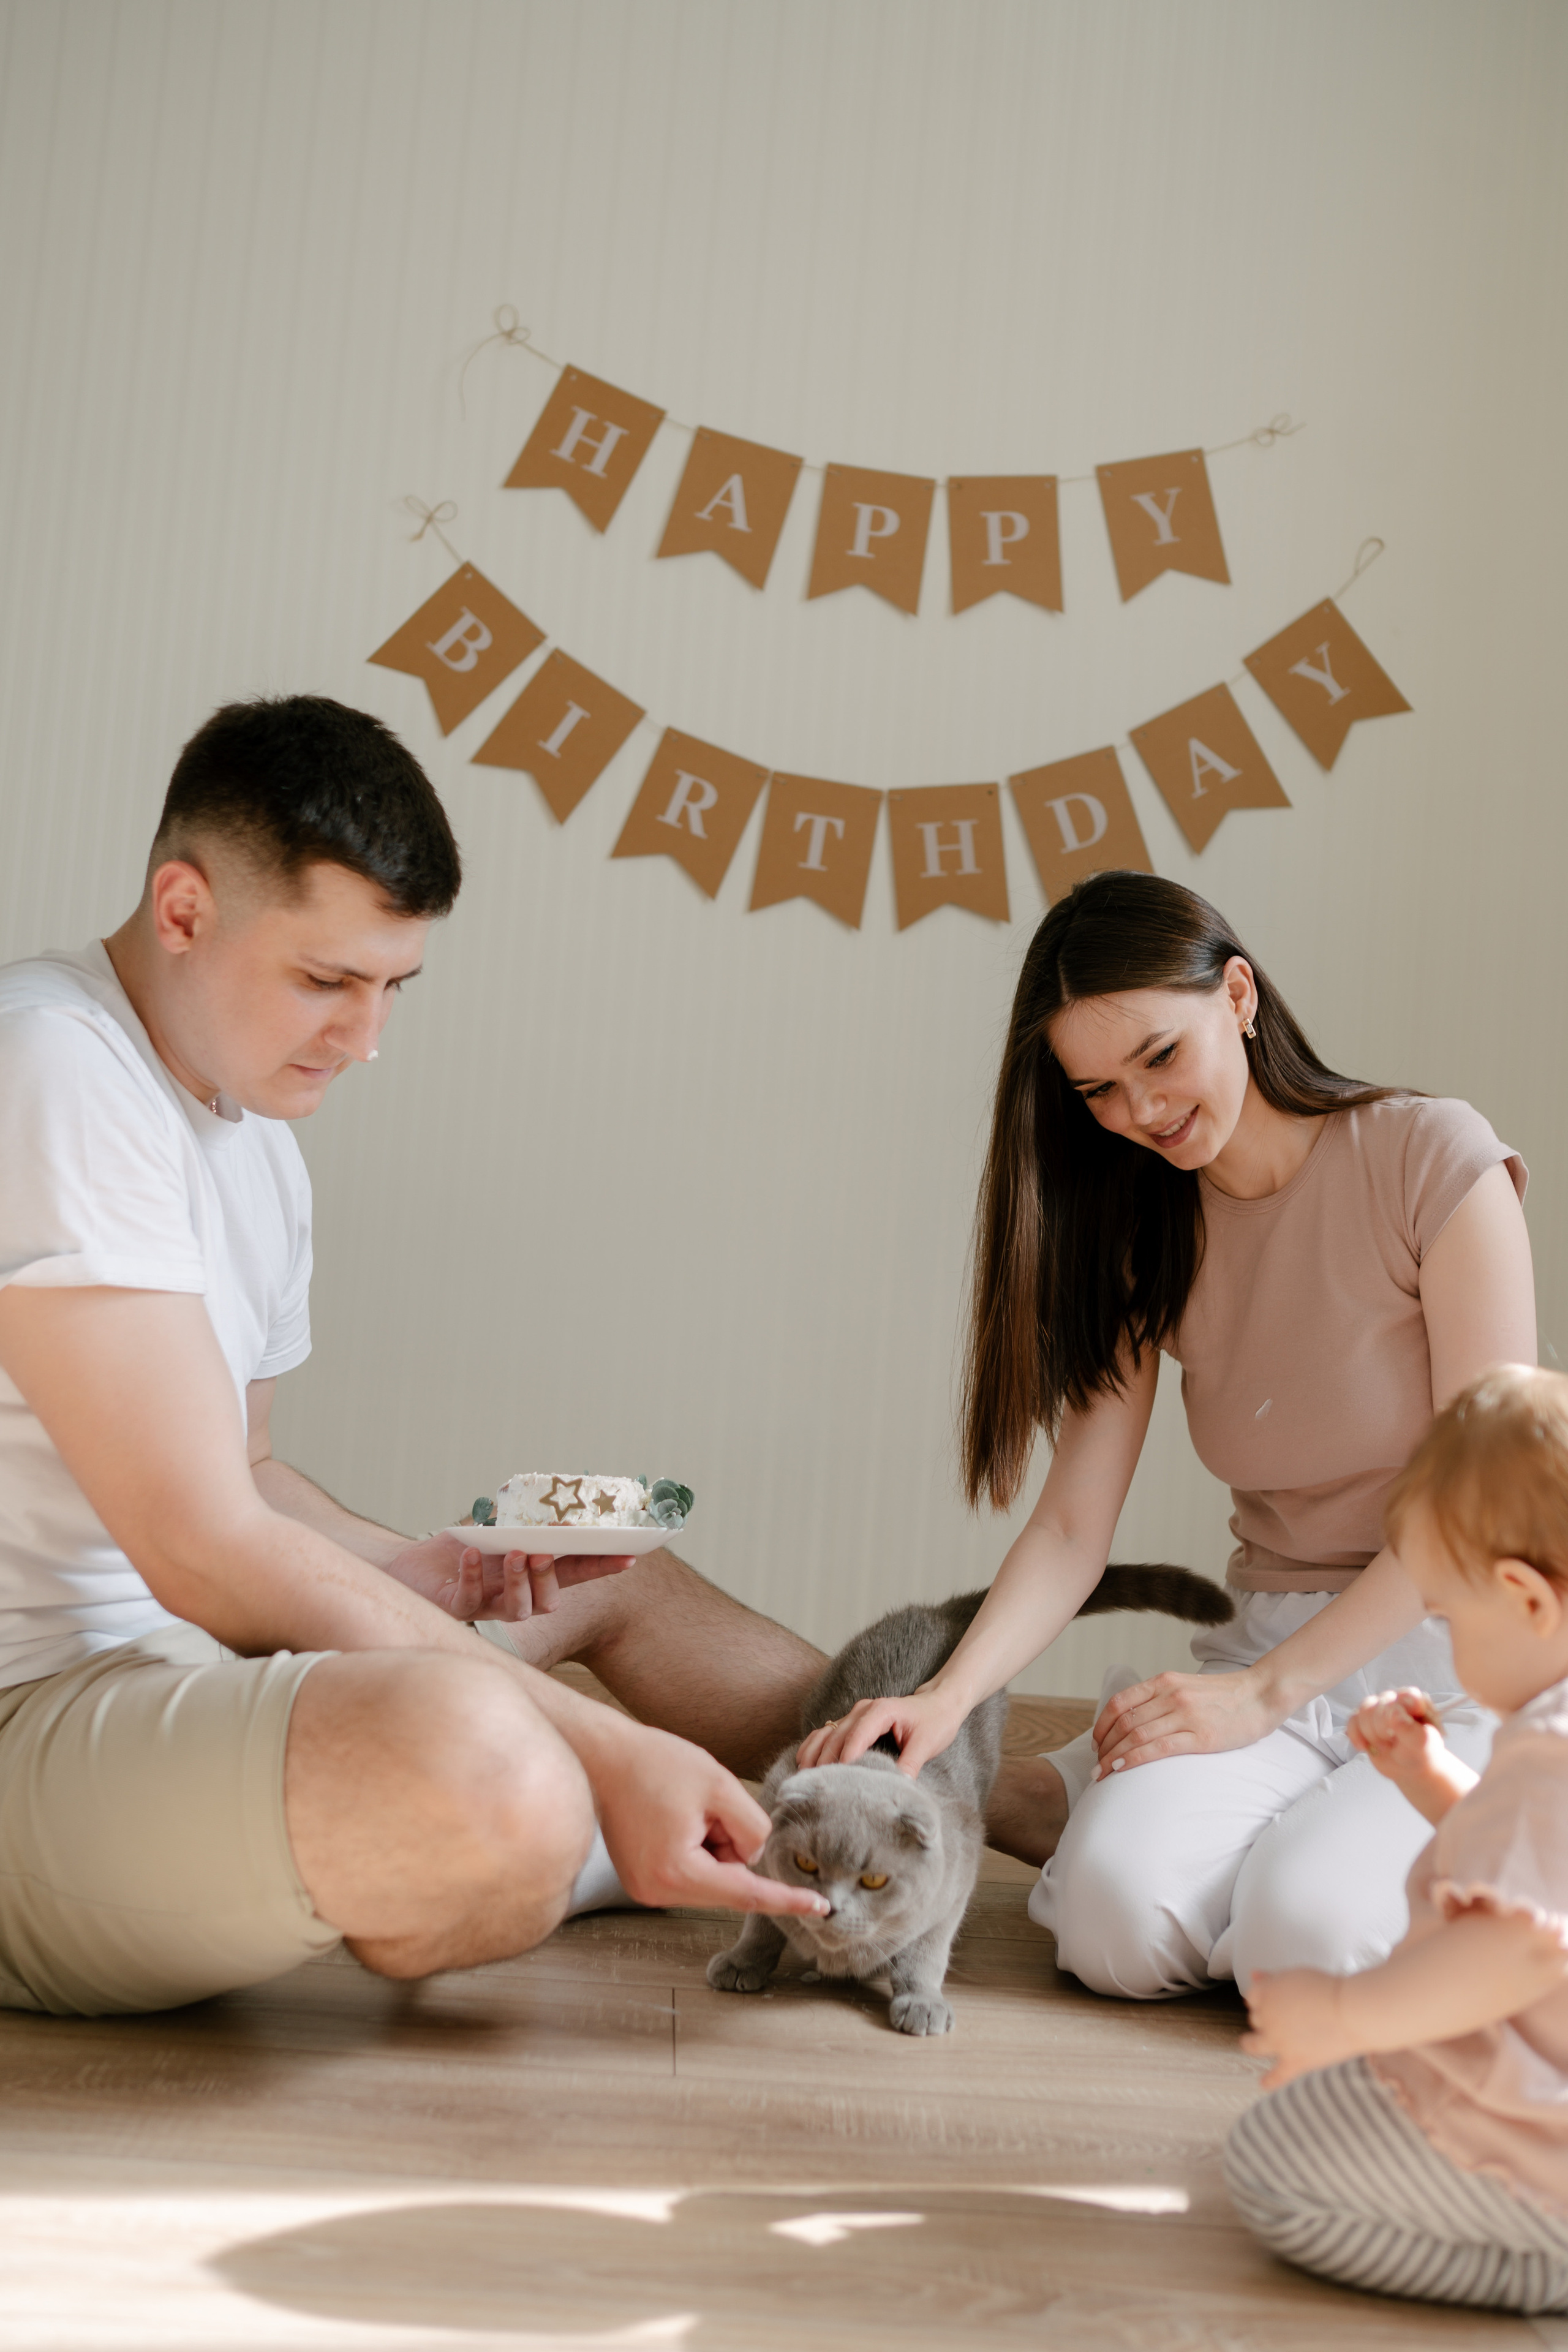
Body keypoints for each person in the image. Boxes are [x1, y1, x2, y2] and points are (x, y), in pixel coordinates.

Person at [0, 694, 835, 2018]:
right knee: (489, 1762)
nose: (367, 1038)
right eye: (327, 981)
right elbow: (202, 1546)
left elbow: (247, 1473)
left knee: (615, 1570)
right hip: (33, 1726)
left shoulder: (255, 1139)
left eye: (393, 987)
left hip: (176, 1674)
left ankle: (1017, 1803)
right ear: (182, 909)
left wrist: (429, 1570)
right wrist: (598, 1739)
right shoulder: (51, 1062)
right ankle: (630, 1822)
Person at [801, 870, 1536, 1998]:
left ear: (1237, 995)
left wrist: (1266, 1697)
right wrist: (944, 1702)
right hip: (1272, 1647)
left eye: (1160, 1057)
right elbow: (1070, 1527)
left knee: (1309, 1939)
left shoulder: (1432, 1157)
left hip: (1465, 1660)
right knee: (1109, 1926)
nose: (1142, 1111)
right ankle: (1279, 1842)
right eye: (1099, 1090)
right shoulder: (1145, 1235)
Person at [1227, 1367, 1568, 2316]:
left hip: (1525, 2130)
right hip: (1530, 2081)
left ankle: (1545, 2258)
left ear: (1526, 1599)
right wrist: (1429, 1778)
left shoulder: (1550, 1755)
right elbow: (1530, 1872)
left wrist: (1350, 2012)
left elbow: (1518, 1947)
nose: (1447, 1645)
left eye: (1450, 1617)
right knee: (1314, 2108)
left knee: (1269, 2172)